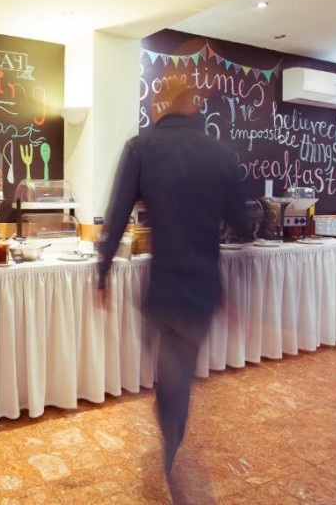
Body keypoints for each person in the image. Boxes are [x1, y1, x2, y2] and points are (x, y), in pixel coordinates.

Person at [96, 82, 247, 477]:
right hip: (202, 285)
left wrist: (102, 273)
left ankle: (169, 425)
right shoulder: (220, 153)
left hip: (162, 286)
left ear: (159, 106)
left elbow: (116, 216)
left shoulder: (140, 148)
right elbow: (245, 223)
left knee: (170, 364)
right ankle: (170, 420)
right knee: (179, 364)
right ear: (195, 106)